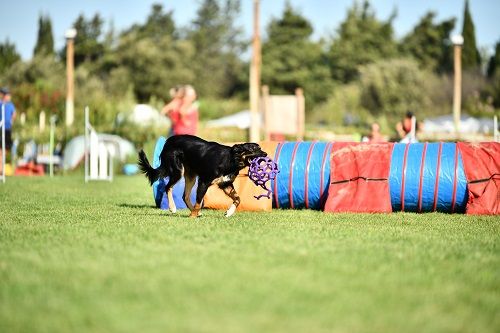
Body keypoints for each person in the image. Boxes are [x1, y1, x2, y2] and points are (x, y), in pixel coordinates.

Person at [0, 87, 16, 172]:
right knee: (1, 150)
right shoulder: (0, 104)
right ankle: (1, 168)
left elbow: (14, 114)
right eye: (8, 95)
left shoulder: (10, 105)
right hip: (0, 128)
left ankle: (1, 168)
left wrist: (11, 120)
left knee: (5, 149)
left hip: (7, 129)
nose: (9, 97)